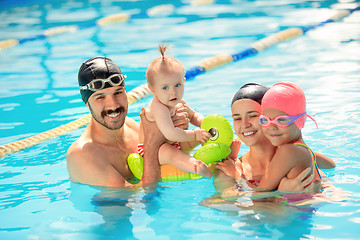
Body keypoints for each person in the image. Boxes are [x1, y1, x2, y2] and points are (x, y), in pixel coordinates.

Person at [66, 56, 189, 187]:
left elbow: (166, 165)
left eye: (118, 92)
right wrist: (152, 146)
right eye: (100, 97)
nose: (113, 105)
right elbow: (137, 202)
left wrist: (176, 134)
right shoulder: (82, 156)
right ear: (87, 103)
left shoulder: (130, 126)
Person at [214, 83, 335, 195]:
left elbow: (329, 168)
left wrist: (329, 188)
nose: (245, 124)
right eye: (237, 118)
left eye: (253, 116)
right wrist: (279, 193)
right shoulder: (227, 170)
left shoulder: (291, 154)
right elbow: (232, 208)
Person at [138, 45, 213, 178]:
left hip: (176, 143)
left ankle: (217, 154)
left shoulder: (179, 102)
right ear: (153, 90)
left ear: (184, 81)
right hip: (153, 150)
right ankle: (195, 166)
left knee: (207, 135)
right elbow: (170, 133)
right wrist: (195, 134)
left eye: (177, 85)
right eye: (165, 87)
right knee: (168, 151)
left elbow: (194, 116)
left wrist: (206, 123)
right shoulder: (158, 107)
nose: (173, 92)